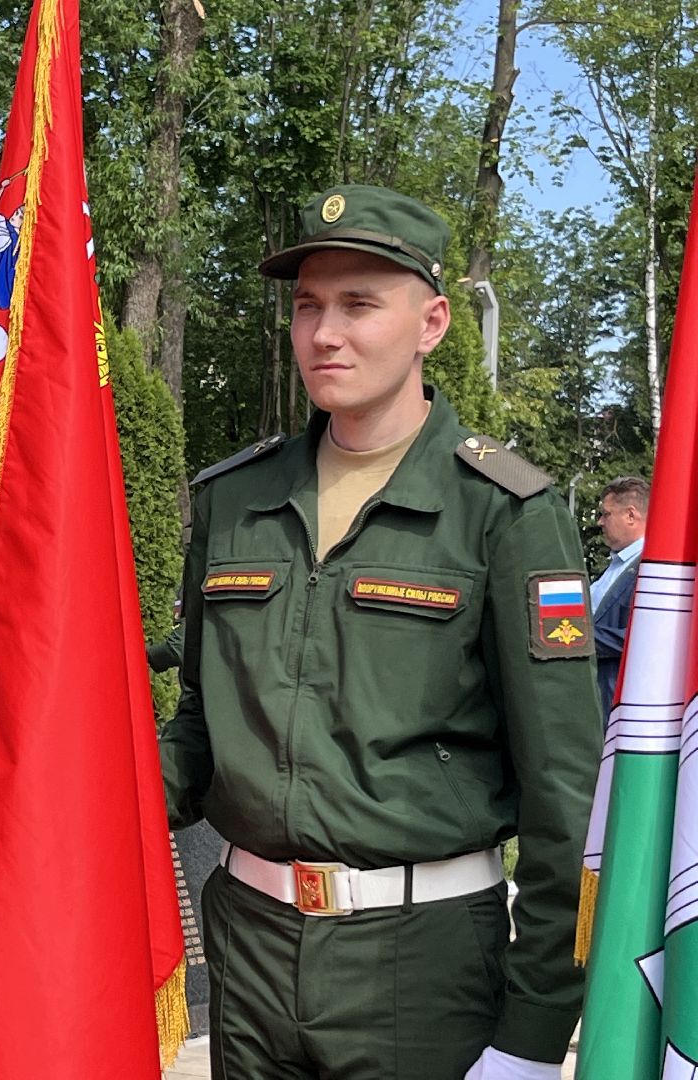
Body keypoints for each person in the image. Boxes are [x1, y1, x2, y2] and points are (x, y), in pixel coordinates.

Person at [159, 185, 600, 1080]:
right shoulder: (236, 498)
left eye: (359, 305)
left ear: (432, 323)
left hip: (422, 958)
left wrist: (535, 1028)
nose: (325, 333)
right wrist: (73, 804)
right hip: (248, 943)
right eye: (308, 307)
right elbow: (201, 729)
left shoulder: (503, 510)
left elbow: (566, 793)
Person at [592, 475, 648, 720]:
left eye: (606, 514)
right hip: (598, 699)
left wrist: (578, 636)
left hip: (620, 707)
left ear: (631, 515)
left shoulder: (652, 568)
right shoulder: (616, 565)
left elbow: (645, 637)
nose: (600, 521)